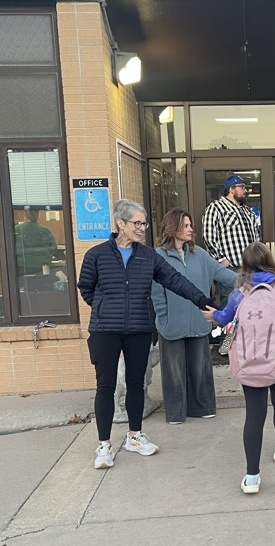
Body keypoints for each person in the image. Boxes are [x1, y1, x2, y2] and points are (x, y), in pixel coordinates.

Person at [78, 199, 216, 469]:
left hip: (139, 329)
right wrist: (107, 307)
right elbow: (86, 289)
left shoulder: (148, 256)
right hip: (105, 330)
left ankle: (134, 436)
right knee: (105, 387)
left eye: (144, 223)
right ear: (121, 224)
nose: (142, 228)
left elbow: (175, 280)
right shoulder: (96, 256)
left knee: (136, 383)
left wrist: (201, 300)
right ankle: (104, 445)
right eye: (137, 223)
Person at [202, 242, 275, 494]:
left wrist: (215, 316)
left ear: (247, 265)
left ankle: (252, 477)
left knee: (254, 414)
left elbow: (225, 317)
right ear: (270, 260)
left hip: (250, 361)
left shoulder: (241, 291)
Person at [152, 208, 235, 424]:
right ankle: (176, 413)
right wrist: (164, 316)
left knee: (201, 369)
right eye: (186, 225)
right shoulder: (157, 257)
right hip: (171, 324)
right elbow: (156, 293)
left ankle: (203, 407)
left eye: (190, 225)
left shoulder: (200, 254)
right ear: (173, 227)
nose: (191, 229)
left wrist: (255, 282)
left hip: (199, 322)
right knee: (174, 373)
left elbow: (225, 275)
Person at [201, 175, 259, 306]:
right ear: (231, 189)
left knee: (249, 306)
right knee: (229, 305)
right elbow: (208, 236)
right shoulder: (216, 208)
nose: (245, 190)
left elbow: (256, 235)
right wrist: (221, 259)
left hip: (250, 267)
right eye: (242, 187)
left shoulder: (247, 211)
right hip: (231, 268)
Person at [14, 210, 57, 275]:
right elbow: (53, 248)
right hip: (43, 265)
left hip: (21, 264)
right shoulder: (45, 230)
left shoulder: (16, 229)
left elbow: (11, 248)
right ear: (38, 216)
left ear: (24, 215)